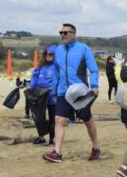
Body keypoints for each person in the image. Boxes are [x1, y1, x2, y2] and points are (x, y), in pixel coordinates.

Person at [43, 23, 100, 163]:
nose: (63, 35)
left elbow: (94, 69)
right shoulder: (59, 51)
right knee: (59, 119)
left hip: (80, 92)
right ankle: (57, 152)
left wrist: (94, 85)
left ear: (73, 33)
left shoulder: (83, 49)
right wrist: (55, 90)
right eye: (61, 33)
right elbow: (56, 72)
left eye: (65, 32)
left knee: (87, 120)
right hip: (63, 91)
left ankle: (95, 148)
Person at [29, 45, 57, 145]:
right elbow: (34, 78)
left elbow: (60, 80)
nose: (48, 56)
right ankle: (41, 137)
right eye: (46, 54)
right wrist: (31, 87)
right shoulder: (41, 67)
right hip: (40, 96)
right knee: (39, 118)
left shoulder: (57, 67)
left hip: (52, 97)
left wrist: (53, 88)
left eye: (50, 54)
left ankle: (52, 138)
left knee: (52, 118)